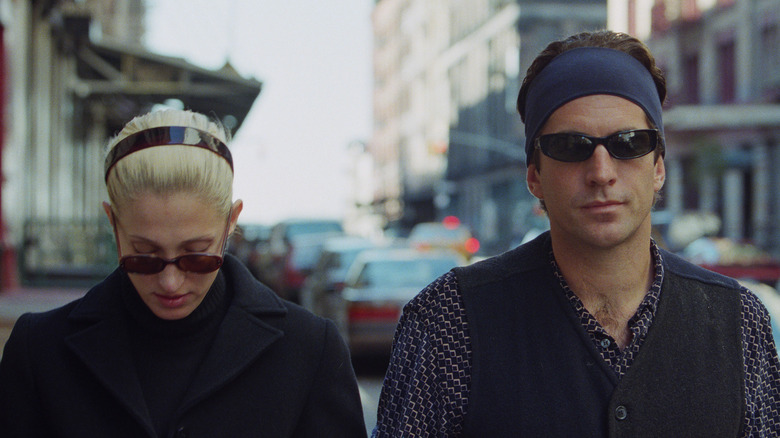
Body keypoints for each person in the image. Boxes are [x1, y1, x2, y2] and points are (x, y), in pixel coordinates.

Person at [373, 30, 780, 437]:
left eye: (628, 142)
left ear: (658, 167)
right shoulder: (450, 320)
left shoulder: (738, 321)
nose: (602, 172)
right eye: (571, 146)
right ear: (534, 175)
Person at [0, 109, 367, 437]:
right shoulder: (40, 350)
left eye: (196, 257)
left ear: (230, 222)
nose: (170, 281)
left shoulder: (308, 349)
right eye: (144, 257)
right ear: (113, 224)